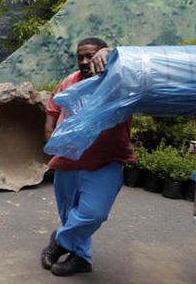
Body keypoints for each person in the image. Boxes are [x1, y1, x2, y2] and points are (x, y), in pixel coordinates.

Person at [41, 37, 135, 276]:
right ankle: (81, 257)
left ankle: (60, 241)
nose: (84, 61)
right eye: (80, 56)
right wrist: (52, 141)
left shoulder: (118, 79)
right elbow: (52, 112)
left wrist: (111, 52)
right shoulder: (69, 82)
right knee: (69, 212)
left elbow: (135, 65)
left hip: (106, 160)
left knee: (93, 213)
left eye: (91, 55)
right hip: (67, 161)